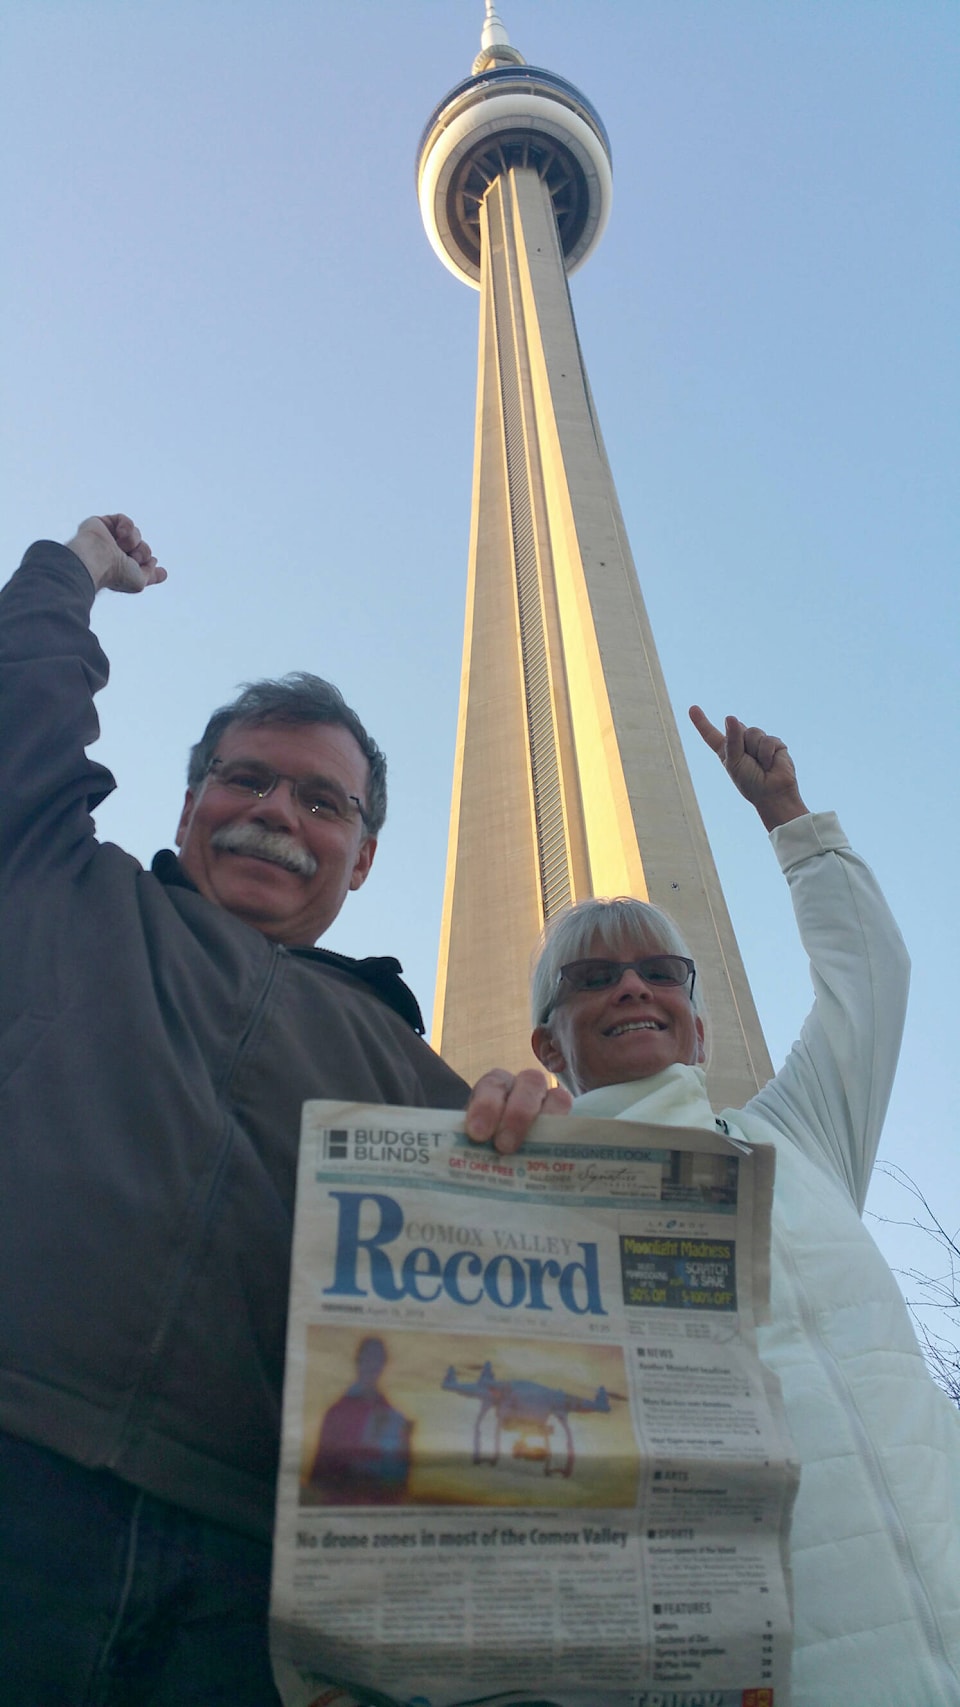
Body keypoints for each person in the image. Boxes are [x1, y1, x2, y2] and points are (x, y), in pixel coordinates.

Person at [0, 514, 566, 1705]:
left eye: (323, 802)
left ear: (362, 860)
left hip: (246, 1576)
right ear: (190, 799)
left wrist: (531, 1133)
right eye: (245, 778)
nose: (276, 813)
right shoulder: (63, 895)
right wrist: (69, 577)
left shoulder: (408, 1077)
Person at [530, 707, 960, 1707]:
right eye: (594, 978)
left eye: (658, 972)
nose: (633, 986)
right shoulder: (544, 1211)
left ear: (698, 1025)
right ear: (550, 1045)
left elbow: (870, 983)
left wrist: (790, 820)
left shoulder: (793, 1140)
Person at [309, 1337, 412, 1505]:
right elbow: (319, 1475)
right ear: (358, 1361)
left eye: (377, 1359)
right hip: (340, 1516)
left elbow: (402, 1479)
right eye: (368, 1358)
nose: (372, 1365)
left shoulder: (396, 1418)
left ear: (383, 1365)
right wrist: (354, 1470)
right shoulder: (336, 1413)